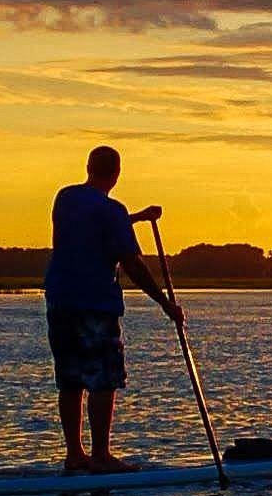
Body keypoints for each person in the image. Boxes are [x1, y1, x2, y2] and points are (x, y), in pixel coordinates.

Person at [43, 145, 183, 473]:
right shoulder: (112, 212)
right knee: (102, 380)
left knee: (71, 379)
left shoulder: (65, 198)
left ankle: (75, 455)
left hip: (60, 302)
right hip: (94, 305)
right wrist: (166, 305)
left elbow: (94, 224)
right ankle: (101, 456)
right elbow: (131, 263)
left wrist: (135, 217)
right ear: (116, 174)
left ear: (88, 167)